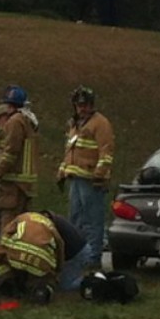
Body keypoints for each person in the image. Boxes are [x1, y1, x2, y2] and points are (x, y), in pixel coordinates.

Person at [57, 85, 114, 271]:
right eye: (79, 105)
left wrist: (100, 174)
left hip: (91, 181)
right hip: (75, 178)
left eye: (86, 105)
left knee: (93, 220)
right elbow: (70, 150)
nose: (82, 108)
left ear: (92, 105)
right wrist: (62, 171)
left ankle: (93, 257)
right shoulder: (75, 124)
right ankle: (78, 255)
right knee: (75, 219)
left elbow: (106, 152)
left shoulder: (100, 123)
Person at [0, 211, 65, 304]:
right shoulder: (51, 226)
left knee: (1, 262)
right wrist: (57, 269)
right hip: (40, 260)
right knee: (46, 277)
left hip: (17, 254)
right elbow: (60, 246)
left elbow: (4, 236)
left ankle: (7, 283)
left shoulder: (22, 218)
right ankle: (41, 291)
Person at [0, 86, 39, 231]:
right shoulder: (27, 121)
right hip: (24, 184)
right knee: (23, 224)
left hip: (13, 182)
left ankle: (6, 252)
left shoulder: (15, 122)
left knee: (9, 221)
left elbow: (11, 152)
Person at [39, 210, 91, 291]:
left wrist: (58, 270)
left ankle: (91, 280)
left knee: (65, 286)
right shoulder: (48, 220)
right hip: (79, 250)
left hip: (78, 254)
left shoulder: (48, 228)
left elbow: (60, 247)